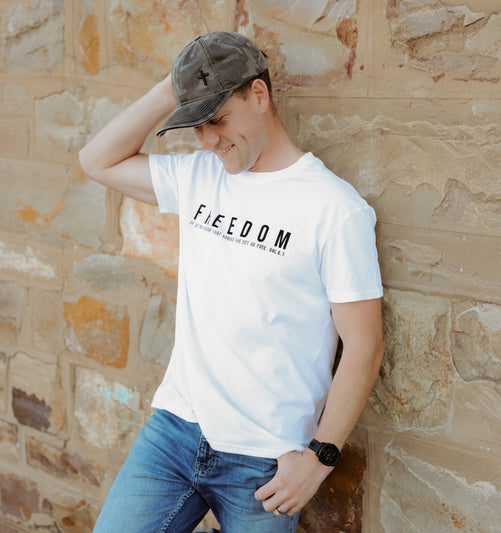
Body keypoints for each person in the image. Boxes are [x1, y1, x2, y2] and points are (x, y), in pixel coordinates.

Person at [79, 31, 384, 533]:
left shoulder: (334, 209)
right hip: (174, 433)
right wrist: (173, 87)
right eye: (196, 125)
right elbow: (97, 160)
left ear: (259, 95)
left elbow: (364, 345)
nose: (207, 140)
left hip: (264, 460)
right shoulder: (200, 176)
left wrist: (318, 460)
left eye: (217, 119)